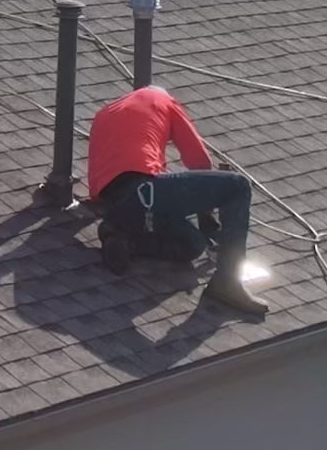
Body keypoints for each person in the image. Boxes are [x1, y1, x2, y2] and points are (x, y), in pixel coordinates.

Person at [87, 85, 268, 315]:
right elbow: (199, 162)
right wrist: (212, 226)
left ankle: (126, 241)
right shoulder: (163, 101)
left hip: (115, 207)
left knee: (194, 244)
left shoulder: (106, 112)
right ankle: (228, 282)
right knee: (238, 186)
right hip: (146, 192)